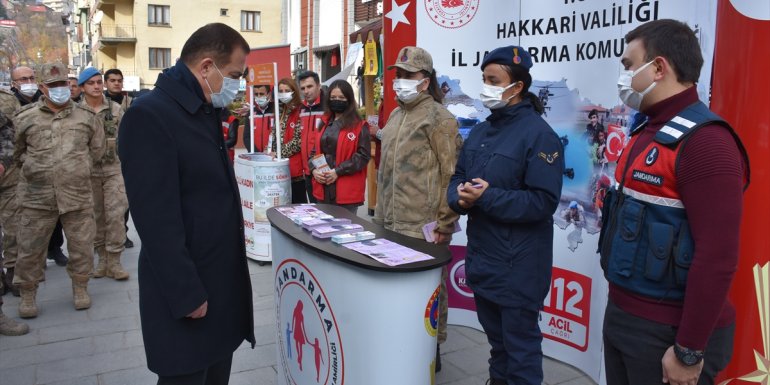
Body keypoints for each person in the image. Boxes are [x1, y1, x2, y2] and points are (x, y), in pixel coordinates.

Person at [599, 19, 749, 385]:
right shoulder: (645, 130)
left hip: (667, 333)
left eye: (629, 65)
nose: (625, 75)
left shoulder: (706, 143)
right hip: (625, 314)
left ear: (659, 67)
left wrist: (688, 350)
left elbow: (717, 258)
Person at [118, 23, 255, 383]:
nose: (237, 85)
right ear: (207, 67)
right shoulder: (151, 115)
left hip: (217, 287)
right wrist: (186, 294)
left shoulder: (201, 109)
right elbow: (156, 219)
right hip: (189, 294)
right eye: (235, 75)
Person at [447, 45, 564, 385]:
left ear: (518, 87)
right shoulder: (481, 132)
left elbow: (543, 202)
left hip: (520, 268)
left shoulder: (540, 136)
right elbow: (457, 178)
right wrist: (461, 199)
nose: (486, 86)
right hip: (484, 262)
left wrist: (487, 197)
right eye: (484, 78)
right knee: (498, 347)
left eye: (493, 80)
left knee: (521, 351)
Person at [373, 46, 462, 372]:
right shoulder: (396, 115)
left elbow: (450, 176)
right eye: (398, 75)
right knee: (396, 293)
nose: (400, 82)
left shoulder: (440, 119)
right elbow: (386, 170)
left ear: (425, 81)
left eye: (408, 76)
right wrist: (378, 217)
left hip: (422, 227)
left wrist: (444, 223)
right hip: (390, 222)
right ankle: (401, 345)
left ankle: (430, 352)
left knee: (427, 294)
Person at [13, 62, 104, 318]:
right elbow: (17, 152)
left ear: (69, 85)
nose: (59, 89)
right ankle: (28, 294)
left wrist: (75, 168)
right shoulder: (25, 118)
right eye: (53, 85)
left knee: (82, 246)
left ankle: (80, 288)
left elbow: (96, 151)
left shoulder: (86, 117)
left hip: (77, 195)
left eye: (62, 84)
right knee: (30, 249)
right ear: (43, 87)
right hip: (37, 197)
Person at [78, 67, 130, 281]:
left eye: (99, 82)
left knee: (116, 215)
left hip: (113, 170)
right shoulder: (75, 112)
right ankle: (102, 260)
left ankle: (115, 261)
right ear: (82, 87)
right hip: (87, 172)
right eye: (91, 83)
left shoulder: (116, 110)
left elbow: (127, 139)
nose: (97, 86)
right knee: (96, 216)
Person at [309, 80, 370, 213]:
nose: (337, 100)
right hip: (323, 188)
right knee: (322, 229)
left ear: (349, 99)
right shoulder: (323, 123)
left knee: (345, 230)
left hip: (346, 191)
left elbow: (363, 157)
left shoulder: (359, 126)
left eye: (341, 97)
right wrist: (314, 170)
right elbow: (314, 152)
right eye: (333, 97)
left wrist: (338, 171)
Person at [104, 68, 134, 249]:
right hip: (106, 158)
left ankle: (122, 231)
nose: (116, 83)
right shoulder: (101, 102)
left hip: (125, 157)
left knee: (124, 199)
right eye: (112, 80)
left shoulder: (130, 102)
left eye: (119, 80)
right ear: (106, 82)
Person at [0, 88, 21, 297]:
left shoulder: (6, 99)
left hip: (8, 178)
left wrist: (4, 162)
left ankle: (13, 272)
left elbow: (13, 135)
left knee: (13, 227)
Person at [276, 78, 307, 204]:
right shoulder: (281, 111)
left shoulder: (300, 110)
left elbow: (298, 142)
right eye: (281, 91)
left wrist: (278, 152)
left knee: (299, 206)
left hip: (296, 172)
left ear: (294, 91)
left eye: (287, 90)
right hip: (281, 169)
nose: (284, 93)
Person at [298, 71, 325, 203]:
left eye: (310, 86)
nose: (306, 91)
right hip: (307, 171)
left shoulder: (329, 107)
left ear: (319, 85)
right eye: (303, 88)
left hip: (323, 171)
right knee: (314, 209)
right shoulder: (300, 109)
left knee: (327, 212)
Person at [241, 84, 275, 152]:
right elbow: (246, 137)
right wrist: (256, 153)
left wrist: (272, 150)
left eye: (261, 94)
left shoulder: (276, 111)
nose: (258, 96)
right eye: (256, 94)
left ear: (269, 94)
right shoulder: (250, 113)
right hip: (255, 157)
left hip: (272, 156)